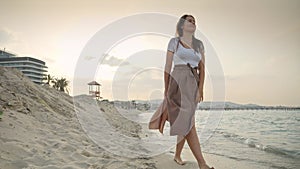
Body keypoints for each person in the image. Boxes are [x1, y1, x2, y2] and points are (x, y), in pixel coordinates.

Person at [149, 14, 214, 169]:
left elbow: (203, 68)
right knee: (188, 122)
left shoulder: (199, 44)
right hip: (177, 80)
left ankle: (178, 155)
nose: (192, 22)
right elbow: (167, 66)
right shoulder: (174, 42)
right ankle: (202, 163)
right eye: (189, 20)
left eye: (194, 21)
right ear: (182, 25)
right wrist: (166, 89)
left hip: (193, 81)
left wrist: (200, 89)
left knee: (186, 121)